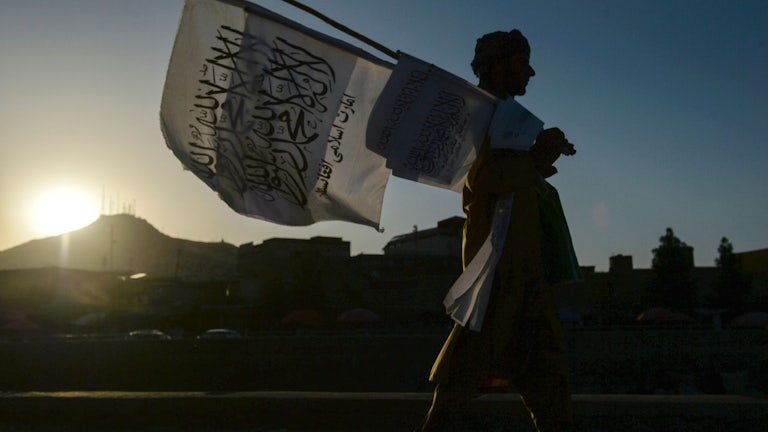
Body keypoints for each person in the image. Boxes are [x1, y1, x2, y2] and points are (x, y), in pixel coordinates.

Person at [415, 30, 581, 432]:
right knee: (462, 377)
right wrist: (537, 158)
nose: (531, 72)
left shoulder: (510, 120)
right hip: (497, 276)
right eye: (522, 62)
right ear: (498, 65)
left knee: (548, 377)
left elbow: (515, 180)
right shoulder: (478, 115)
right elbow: (483, 178)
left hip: (527, 276)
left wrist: (540, 153)